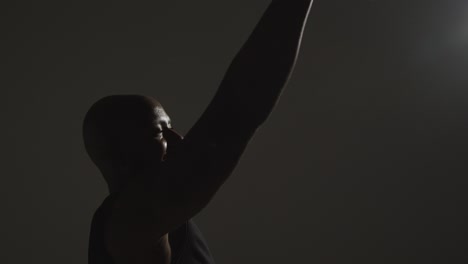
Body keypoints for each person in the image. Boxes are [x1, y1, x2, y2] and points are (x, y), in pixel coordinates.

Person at [83, 1, 314, 263]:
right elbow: (234, 115)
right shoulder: (130, 224)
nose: (177, 139)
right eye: (159, 133)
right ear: (120, 153)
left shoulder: (150, 220)